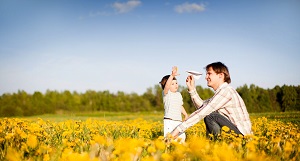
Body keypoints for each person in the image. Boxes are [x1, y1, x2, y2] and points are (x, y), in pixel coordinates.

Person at [170, 62, 252, 140]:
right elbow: (202, 107)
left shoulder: (226, 91)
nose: (206, 77)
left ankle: (213, 145)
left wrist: (176, 131)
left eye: (209, 73)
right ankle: (214, 146)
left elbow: (203, 111)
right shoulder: (221, 92)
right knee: (209, 113)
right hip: (237, 134)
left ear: (220, 75)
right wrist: (192, 89)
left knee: (211, 116)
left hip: (243, 138)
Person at [160, 66, 189, 142]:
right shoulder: (166, 93)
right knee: (169, 138)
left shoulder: (179, 94)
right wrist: (172, 76)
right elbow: (167, 86)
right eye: (172, 84)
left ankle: (180, 153)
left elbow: (180, 106)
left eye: (176, 83)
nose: (176, 85)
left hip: (178, 120)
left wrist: (185, 114)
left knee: (181, 137)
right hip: (170, 120)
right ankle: (167, 150)